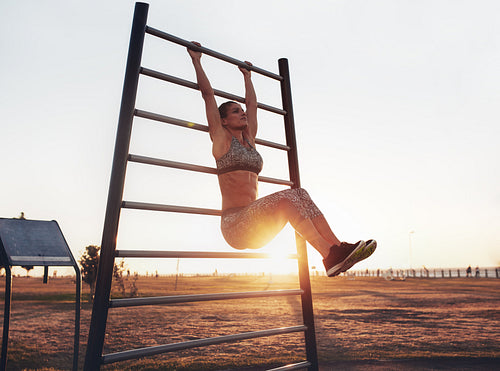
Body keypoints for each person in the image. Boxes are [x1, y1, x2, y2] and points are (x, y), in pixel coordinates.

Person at [187, 42, 376, 277]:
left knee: (301, 193)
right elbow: (208, 95)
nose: (242, 112)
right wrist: (196, 60)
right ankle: (328, 254)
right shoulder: (221, 140)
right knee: (288, 198)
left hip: (258, 223)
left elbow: (253, 105)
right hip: (235, 225)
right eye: (236, 111)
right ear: (223, 120)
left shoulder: (250, 139)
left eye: (241, 110)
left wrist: (248, 76)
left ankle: (337, 249)